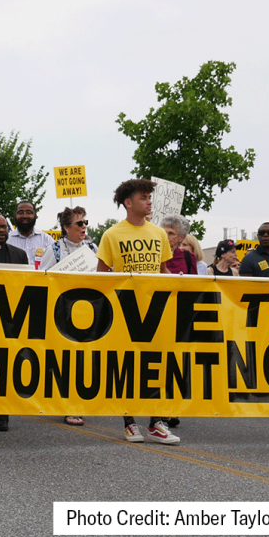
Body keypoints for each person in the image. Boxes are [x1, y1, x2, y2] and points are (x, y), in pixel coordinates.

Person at [96, 179, 179, 445]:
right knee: (128, 368)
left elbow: (163, 272)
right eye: (144, 198)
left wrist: (176, 280)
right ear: (128, 203)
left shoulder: (158, 234)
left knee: (156, 365)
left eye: (149, 197)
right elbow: (101, 277)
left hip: (154, 310)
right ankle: (129, 422)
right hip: (125, 310)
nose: (149, 202)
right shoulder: (111, 235)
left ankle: (157, 423)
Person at [38, 206, 98, 426]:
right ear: (66, 227)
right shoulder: (53, 249)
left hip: (88, 310)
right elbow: (43, 279)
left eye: (85, 222)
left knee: (85, 358)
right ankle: (69, 405)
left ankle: (78, 402)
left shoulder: (92, 247)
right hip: (63, 310)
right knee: (66, 358)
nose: (84, 227)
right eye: (79, 223)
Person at [7, 201, 56, 269]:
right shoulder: (7, 240)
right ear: (15, 216)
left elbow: (55, 264)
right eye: (20, 213)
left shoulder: (47, 240)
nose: (24, 216)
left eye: (29, 213)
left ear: (35, 215)